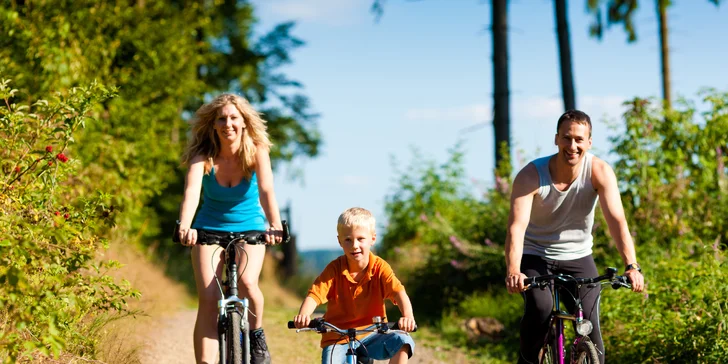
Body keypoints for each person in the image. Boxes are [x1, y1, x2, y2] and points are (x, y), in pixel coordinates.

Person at [504, 110, 645, 364]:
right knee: (541, 309)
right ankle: (527, 360)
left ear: (589, 142)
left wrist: (632, 265)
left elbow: (617, 221)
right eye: (567, 138)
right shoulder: (531, 175)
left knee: (592, 331)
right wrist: (515, 270)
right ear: (556, 139)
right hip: (536, 255)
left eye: (579, 139)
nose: (572, 146)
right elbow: (516, 227)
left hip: (579, 257)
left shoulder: (599, 171)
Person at [177, 93, 283, 364]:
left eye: (234, 118)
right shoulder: (203, 156)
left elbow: (267, 189)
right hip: (208, 228)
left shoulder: (257, 150)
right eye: (222, 119)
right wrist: (186, 226)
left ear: (244, 122)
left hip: (250, 227)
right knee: (209, 297)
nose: (228, 124)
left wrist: (274, 224)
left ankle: (256, 335)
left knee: (248, 283)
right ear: (213, 124)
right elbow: (191, 193)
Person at [292, 207, 417, 364]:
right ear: (339, 241)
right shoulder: (334, 269)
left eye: (360, 239)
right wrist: (304, 315)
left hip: (372, 334)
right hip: (337, 337)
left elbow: (399, 292)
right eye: (348, 240)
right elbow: (314, 295)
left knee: (402, 340)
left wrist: (408, 316)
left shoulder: (380, 268)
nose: (354, 245)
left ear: (372, 239)